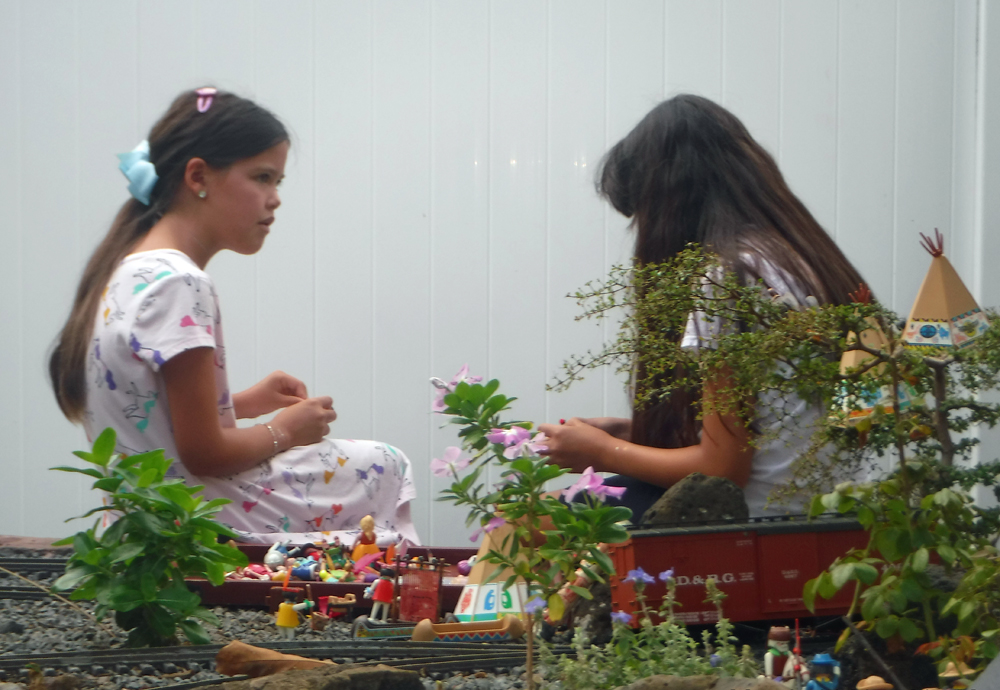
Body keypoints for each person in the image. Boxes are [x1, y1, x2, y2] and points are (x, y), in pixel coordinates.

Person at [49, 87, 418, 546]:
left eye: (278, 182)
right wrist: (285, 429)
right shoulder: (180, 283)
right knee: (384, 465)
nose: (275, 198)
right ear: (198, 176)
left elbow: (147, 408)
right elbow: (205, 454)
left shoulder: (128, 270)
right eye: (262, 177)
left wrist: (243, 403)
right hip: (195, 517)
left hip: (137, 516)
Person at [539, 94, 867, 518]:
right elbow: (762, 432)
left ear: (670, 204)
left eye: (641, 215)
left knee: (525, 523)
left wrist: (607, 451)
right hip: (825, 513)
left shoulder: (728, 280)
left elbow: (722, 470)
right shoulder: (801, 260)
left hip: (753, 520)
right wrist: (626, 433)